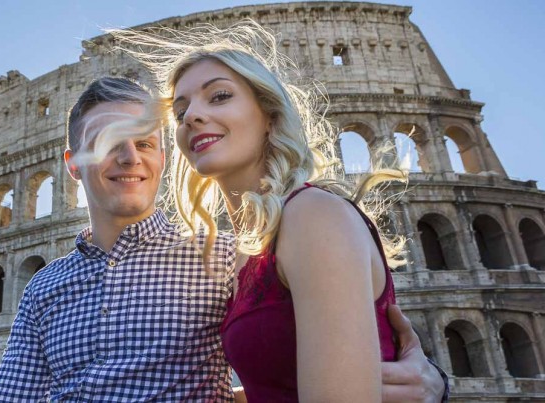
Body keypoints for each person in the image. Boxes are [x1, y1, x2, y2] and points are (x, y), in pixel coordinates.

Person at [0, 75, 446, 402]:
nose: (130, 157)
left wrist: (434, 382)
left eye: (144, 143)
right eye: (107, 142)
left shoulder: (229, 259)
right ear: (72, 163)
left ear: (163, 157)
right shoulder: (43, 289)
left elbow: (314, 352)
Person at [112, 20, 449, 402]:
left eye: (219, 96)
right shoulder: (247, 248)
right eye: (181, 110)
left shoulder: (312, 216)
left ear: (269, 115)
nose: (191, 116)